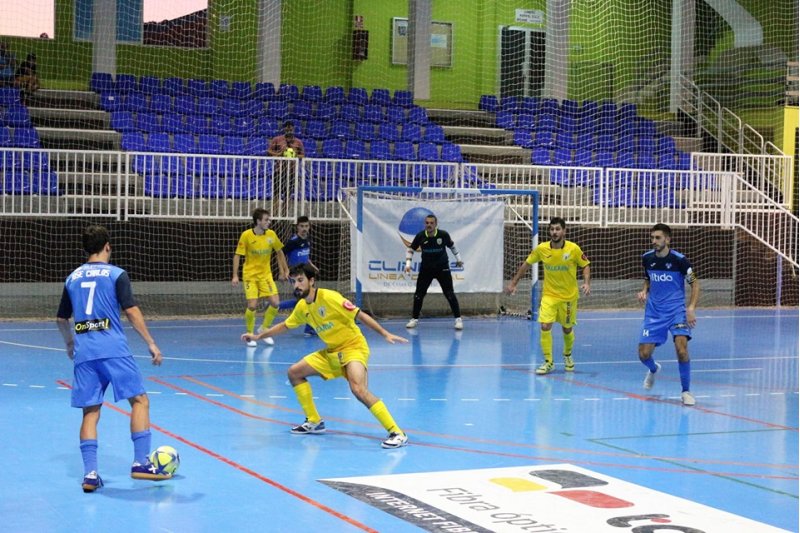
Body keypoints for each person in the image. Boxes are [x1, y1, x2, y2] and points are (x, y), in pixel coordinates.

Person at [242, 263, 410, 449]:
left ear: (311, 281)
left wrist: (385, 333)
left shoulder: (329, 297)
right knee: (294, 373)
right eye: (293, 281)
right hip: (331, 352)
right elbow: (285, 326)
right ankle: (314, 421)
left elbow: (359, 315)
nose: (296, 285)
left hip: (353, 348)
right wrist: (259, 336)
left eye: (300, 280)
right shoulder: (302, 307)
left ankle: (397, 432)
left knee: (358, 390)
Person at [56, 225, 170, 493]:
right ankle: (141, 463)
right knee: (140, 400)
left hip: (85, 354)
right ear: (107, 246)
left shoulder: (72, 278)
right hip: (114, 350)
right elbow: (130, 310)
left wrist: (70, 341)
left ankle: (90, 474)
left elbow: (61, 318)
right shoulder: (116, 274)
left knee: (90, 413)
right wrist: (151, 343)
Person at [506, 217, 591, 375]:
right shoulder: (542, 249)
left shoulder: (573, 249)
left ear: (564, 231)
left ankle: (567, 356)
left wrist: (586, 283)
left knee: (567, 329)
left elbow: (585, 265)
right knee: (545, 325)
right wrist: (513, 283)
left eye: (558, 229)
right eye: (552, 229)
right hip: (549, 296)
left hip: (568, 297)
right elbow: (526, 264)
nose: (554, 232)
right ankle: (548, 362)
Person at [637, 223, 699, 406]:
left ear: (667, 239)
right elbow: (648, 278)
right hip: (654, 313)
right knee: (643, 355)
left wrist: (691, 308)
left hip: (676, 313)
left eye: (658, 238)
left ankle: (686, 391)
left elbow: (695, 284)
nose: (654, 241)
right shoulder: (647, 258)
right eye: (652, 238)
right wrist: (644, 291)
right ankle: (654, 369)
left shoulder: (680, 261)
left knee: (681, 349)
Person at [232, 208, 289, 347]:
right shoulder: (246, 235)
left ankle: (264, 329)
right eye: (266, 220)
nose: (269, 222)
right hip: (250, 276)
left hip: (266, 275)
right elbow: (238, 255)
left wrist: (285, 270)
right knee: (252, 305)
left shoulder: (271, 235)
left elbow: (279, 252)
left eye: (269, 220)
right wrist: (235, 275)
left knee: (276, 303)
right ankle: (250, 335)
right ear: (258, 221)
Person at [403, 214, 464, 330]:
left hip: (442, 269)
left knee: (449, 294)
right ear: (424, 224)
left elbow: (452, 247)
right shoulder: (420, 236)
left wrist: (459, 259)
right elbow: (410, 249)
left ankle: (458, 320)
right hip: (426, 269)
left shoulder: (443, 235)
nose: (429, 225)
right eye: (427, 223)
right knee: (418, 295)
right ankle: (414, 319)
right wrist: (408, 265)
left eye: (431, 223)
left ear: (436, 224)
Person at [278, 215, 318, 337]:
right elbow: (280, 254)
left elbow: (305, 256)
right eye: (302, 226)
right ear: (297, 227)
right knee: (308, 300)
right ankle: (309, 328)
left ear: (309, 227)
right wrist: (283, 271)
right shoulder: (293, 241)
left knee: (306, 300)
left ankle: (275, 305)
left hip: (306, 273)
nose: (304, 228)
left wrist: (312, 265)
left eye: (306, 226)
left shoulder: (308, 239)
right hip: (295, 275)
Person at [267, 121, 305, 208]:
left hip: (291, 172)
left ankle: (285, 219)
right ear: (284, 129)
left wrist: (296, 155)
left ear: (293, 129)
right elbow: (269, 151)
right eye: (287, 127)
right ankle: (275, 218)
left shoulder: (298, 142)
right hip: (279, 171)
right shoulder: (277, 139)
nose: (289, 129)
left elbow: (302, 155)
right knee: (276, 195)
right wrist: (279, 154)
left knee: (288, 196)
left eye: (290, 127)